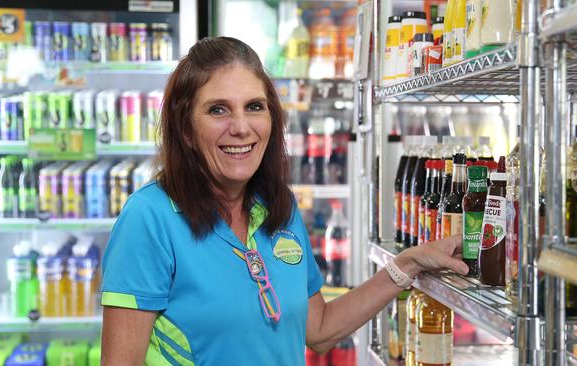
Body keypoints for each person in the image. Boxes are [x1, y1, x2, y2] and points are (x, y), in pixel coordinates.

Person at [100, 37, 468, 365]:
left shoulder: (278, 207)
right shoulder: (150, 218)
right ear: (186, 130)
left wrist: (407, 264)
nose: (242, 127)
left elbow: (319, 329)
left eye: (254, 106)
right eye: (218, 109)